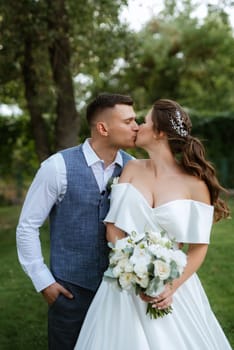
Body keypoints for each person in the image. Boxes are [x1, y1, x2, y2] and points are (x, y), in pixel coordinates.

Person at [75, 99, 232, 349]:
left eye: (144, 121)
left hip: (172, 284)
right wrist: (131, 267)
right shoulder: (131, 170)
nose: (137, 127)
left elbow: (199, 247)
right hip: (124, 285)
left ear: (159, 133)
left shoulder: (195, 185)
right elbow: (113, 228)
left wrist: (169, 286)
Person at [16, 93, 140, 349]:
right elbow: (27, 226)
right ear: (103, 128)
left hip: (120, 290)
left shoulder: (134, 168)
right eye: (128, 121)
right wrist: (44, 282)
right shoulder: (57, 167)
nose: (136, 127)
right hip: (70, 291)